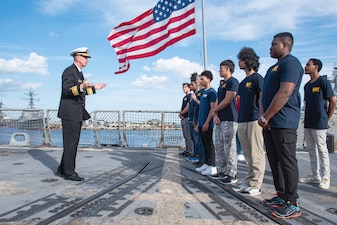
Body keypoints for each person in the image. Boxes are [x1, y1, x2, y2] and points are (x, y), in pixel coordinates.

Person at [258, 32, 303, 219]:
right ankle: (281, 195)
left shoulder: (291, 63)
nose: (270, 47)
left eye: (274, 44)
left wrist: (267, 116)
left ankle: (292, 203)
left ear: (284, 45)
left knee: (287, 161)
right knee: (275, 161)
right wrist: (264, 117)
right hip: (270, 122)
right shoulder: (272, 68)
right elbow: (264, 95)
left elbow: (285, 93)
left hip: (284, 121)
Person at [57, 47, 106, 181]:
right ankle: (69, 172)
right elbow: (67, 91)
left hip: (76, 113)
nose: (87, 59)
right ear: (77, 57)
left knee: (71, 142)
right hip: (70, 113)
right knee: (71, 143)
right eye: (85, 57)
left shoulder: (79, 73)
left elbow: (81, 92)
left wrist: (94, 88)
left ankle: (62, 169)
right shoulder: (69, 71)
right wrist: (81, 87)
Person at [299, 58, 336, 189]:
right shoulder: (307, 85)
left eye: (308, 65)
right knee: (311, 149)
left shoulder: (323, 82)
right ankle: (315, 175)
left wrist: (327, 119)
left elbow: (332, 101)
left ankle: (325, 176)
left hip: (320, 121)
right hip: (308, 121)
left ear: (316, 67)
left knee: (322, 149)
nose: (305, 67)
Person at [233, 47, 265, 196]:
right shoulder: (243, 82)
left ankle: (256, 184)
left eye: (241, 59)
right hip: (242, 119)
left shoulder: (257, 78)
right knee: (248, 154)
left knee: (256, 153)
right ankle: (248, 181)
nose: (239, 62)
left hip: (254, 119)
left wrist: (263, 116)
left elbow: (262, 97)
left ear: (248, 61)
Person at [212, 60, 239, 184]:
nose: (219, 70)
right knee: (219, 146)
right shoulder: (222, 85)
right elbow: (219, 99)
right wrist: (216, 114)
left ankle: (231, 173)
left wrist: (215, 110)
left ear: (227, 69)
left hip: (229, 118)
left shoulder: (233, 82)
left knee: (229, 147)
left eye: (221, 68)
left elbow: (228, 100)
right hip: (220, 119)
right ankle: (222, 170)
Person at [195, 70, 217, 176]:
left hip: (207, 123)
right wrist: (199, 122)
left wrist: (207, 122)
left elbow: (212, 109)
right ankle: (207, 164)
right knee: (204, 144)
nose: (201, 81)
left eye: (202, 79)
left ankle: (212, 166)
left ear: (208, 79)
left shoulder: (212, 92)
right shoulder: (203, 92)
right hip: (201, 122)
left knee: (209, 144)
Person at [179, 83, 194, 157]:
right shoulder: (185, 97)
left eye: (185, 87)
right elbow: (182, 106)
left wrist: (182, 112)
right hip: (183, 117)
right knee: (185, 135)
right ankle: (187, 149)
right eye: (183, 87)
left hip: (187, 117)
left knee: (188, 135)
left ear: (188, 88)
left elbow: (188, 106)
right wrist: (180, 114)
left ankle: (190, 150)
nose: (183, 89)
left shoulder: (190, 96)